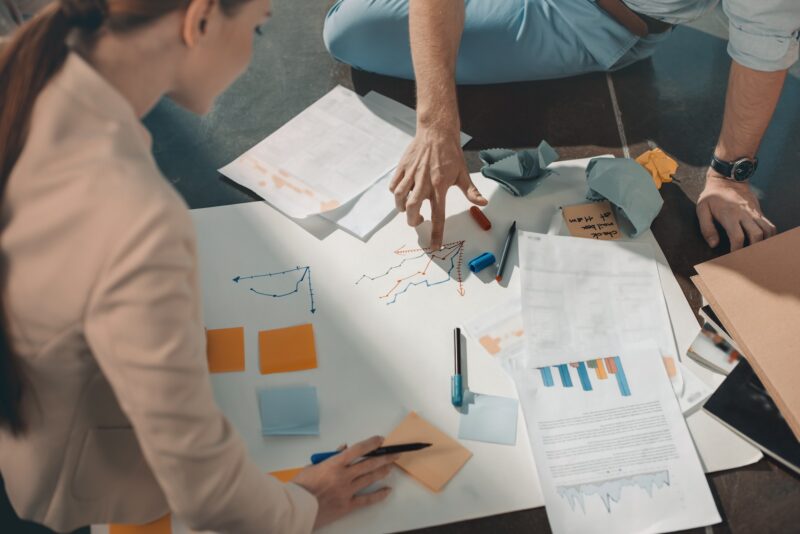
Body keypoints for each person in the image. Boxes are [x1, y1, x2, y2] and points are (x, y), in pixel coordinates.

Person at [0, 1, 396, 533]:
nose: (257, 46)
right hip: (84, 486)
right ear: (200, 19)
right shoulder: (134, 217)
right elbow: (208, 495)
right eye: (257, 24)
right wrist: (304, 504)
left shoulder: (26, 67)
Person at [323, 0, 799, 251]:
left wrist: (727, 175)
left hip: (584, 15)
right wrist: (435, 124)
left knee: (350, 28)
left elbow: (764, 46)